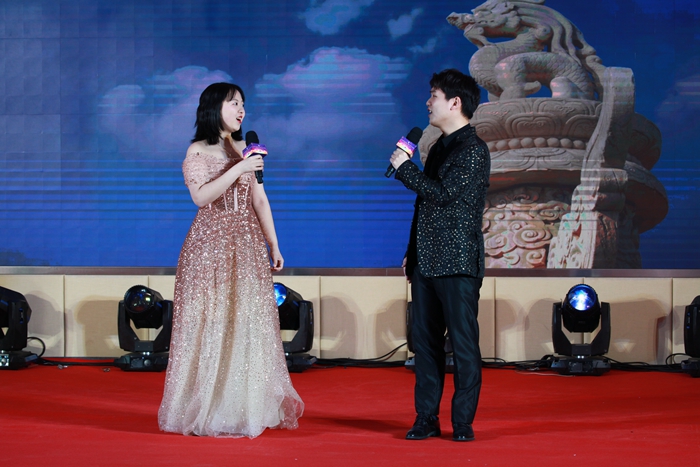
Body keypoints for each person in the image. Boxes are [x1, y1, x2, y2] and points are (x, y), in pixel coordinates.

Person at [158, 82, 303, 438]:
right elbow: (201, 197)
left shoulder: (246, 148)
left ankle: (240, 407)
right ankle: (207, 407)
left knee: (247, 323)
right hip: (209, 247)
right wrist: (239, 168)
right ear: (213, 107)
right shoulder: (198, 149)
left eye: (242, 104)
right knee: (212, 325)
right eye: (233, 103)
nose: (241, 110)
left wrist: (273, 243)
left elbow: (260, 200)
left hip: (247, 245)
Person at [389, 69, 490, 442]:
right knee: (425, 345)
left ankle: (462, 422)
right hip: (427, 262)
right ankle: (426, 418)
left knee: (463, 346)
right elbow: (425, 206)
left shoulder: (473, 149)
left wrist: (404, 168)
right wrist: (412, 251)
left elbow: (443, 194)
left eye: (434, 95)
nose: (428, 102)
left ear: (454, 102)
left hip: (458, 262)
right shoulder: (438, 147)